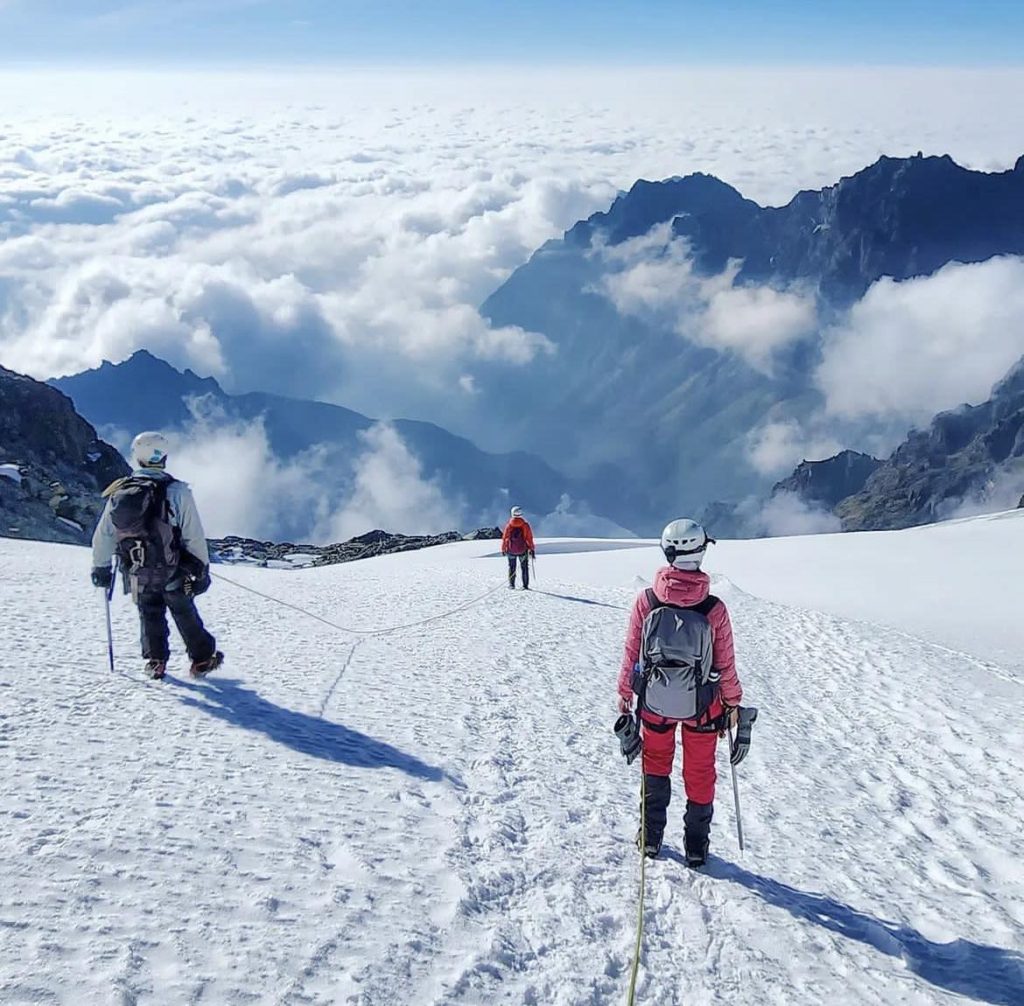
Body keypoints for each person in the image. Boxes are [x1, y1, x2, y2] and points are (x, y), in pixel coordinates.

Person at [617, 518, 743, 866]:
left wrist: (625, 692)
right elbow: (725, 664)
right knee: (700, 772)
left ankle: (650, 838)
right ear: (701, 553)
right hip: (703, 707)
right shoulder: (714, 609)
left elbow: (632, 651)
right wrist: (733, 702)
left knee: (656, 765)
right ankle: (696, 846)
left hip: (655, 703)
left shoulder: (646, 601)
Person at [90, 431, 223, 681]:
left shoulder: (121, 491)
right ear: (164, 456)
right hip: (174, 569)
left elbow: (105, 534)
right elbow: (192, 534)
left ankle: (156, 662)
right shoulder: (177, 491)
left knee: (149, 612)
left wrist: (101, 568)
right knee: (184, 611)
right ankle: (202, 659)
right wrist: (202, 570)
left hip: (136, 569)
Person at [501, 506, 535, 590]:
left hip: (511, 549)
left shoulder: (509, 525)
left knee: (512, 567)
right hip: (522, 550)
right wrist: (532, 549)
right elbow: (529, 538)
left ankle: (512, 585)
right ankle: (525, 585)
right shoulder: (525, 525)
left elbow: (505, 538)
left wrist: (503, 549)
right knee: (524, 567)